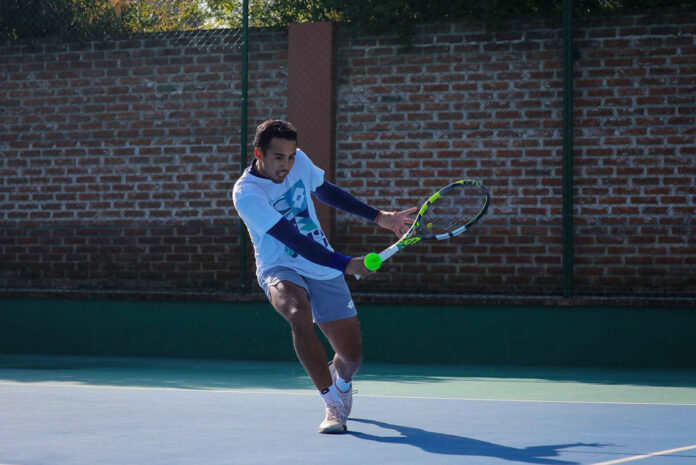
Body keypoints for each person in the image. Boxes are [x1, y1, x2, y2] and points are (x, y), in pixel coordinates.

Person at [233, 119, 415, 434]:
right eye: (278, 157)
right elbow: (292, 239)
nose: (286, 165)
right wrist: (346, 264)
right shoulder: (247, 193)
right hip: (280, 265)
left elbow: (325, 191)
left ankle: (341, 381)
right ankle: (332, 404)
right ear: (258, 154)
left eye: (291, 157)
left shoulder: (299, 162)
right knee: (297, 313)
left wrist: (378, 217)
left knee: (351, 355)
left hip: (322, 264)